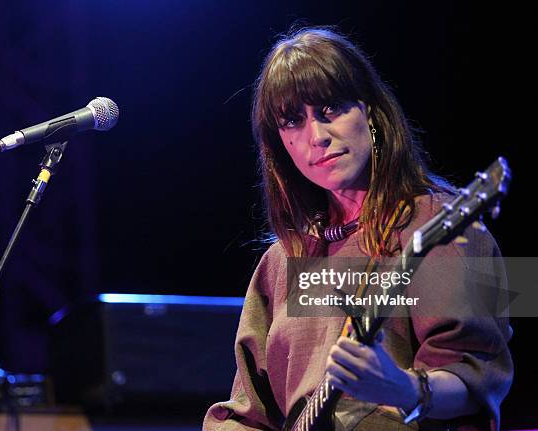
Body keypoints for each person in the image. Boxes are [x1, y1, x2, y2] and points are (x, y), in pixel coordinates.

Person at [202, 26, 512, 431]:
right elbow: (247, 413)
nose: (317, 136)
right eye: (294, 121)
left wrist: (403, 389)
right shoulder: (281, 262)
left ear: (369, 111)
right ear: (279, 145)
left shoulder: (438, 225)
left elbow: (480, 378)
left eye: (331, 110)